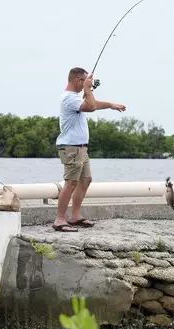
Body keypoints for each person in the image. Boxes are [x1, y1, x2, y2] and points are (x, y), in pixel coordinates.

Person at [52, 67, 126, 232]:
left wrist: (110, 105)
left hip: (81, 148)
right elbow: (91, 106)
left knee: (86, 180)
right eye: (85, 82)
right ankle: (59, 219)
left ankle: (75, 216)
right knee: (71, 183)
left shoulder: (75, 98)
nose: (89, 86)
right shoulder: (68, 98)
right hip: (71, 148)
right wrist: (87, 89)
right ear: (78, 80)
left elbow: (92, 104)